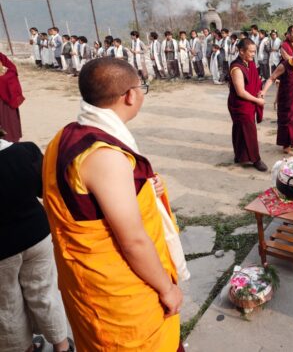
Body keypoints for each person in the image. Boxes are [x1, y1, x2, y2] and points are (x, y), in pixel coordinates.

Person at [42, 57, 184, 351]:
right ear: (130, 96)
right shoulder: (105, 156)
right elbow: (133, 240)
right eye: (142, 86)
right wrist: (167, 288)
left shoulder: (64, 136)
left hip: (86, 284)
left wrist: (146, 187)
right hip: (119, 298)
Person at [0, 128, 73, 352]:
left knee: (7, 303)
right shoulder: (26, 151)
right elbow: (45, 190)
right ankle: (61, 346)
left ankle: (26, 348)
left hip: (3, 250)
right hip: (37, 235)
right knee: (45, 292)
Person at [228, 39, 267, 171]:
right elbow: (240, 92)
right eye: (251, 52)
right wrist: (258, 101)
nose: (253, 54)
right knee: (248, 130)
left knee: (240, 130)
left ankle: (240, 155)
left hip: (249, 101)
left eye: (254, 51)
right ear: (241, 51)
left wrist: (259, 91)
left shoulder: (249, 63)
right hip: (240, 103)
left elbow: (255, 80)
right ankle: (256, 159)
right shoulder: (236, 68)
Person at [0, 52, 24, 142]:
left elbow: (12, 69)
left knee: (7, 117)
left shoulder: (1, 57)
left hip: (4, 99)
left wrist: (3, 79)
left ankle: (8, 137)